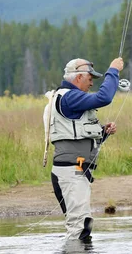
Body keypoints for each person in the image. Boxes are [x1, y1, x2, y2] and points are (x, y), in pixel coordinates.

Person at [43, 57, 124, 243]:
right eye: (90, 77)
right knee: (80, 228)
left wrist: (103, 132)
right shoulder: (70, 97)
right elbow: (104, 97)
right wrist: (113, 70)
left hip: (74, 171)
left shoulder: (70, 99)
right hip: (71, 173)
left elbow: (76, 136)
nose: (92, 81)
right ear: (78, 77)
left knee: (81, 226)